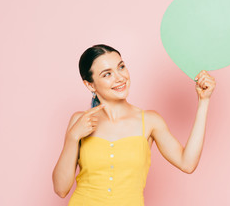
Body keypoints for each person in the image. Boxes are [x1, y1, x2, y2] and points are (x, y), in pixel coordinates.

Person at [52, 44, 216, 205]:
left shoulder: (150, 120)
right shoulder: (79, 121)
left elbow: (187, 163)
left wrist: (204, 101)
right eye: (107, 74)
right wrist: (72, 136)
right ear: (90, 84)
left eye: (121, 67)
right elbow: (61, 189)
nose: (120, 77)